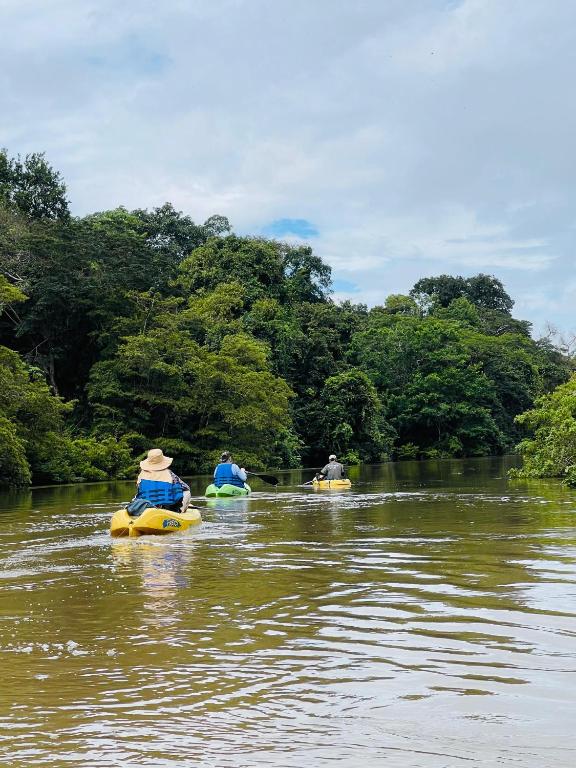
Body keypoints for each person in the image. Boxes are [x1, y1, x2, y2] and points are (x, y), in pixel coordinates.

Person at [135, 448, 192, 513]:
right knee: (187, 492)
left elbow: (140, 490)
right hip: (168, 508)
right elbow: (186, 488)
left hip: (146, 508)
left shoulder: (141, 475)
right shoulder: (170, 474)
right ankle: (181, 512)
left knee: (137, 495)